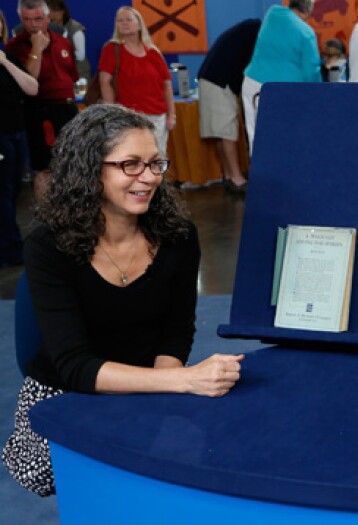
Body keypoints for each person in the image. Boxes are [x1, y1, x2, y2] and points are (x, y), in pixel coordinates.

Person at [1, 104, 245, 497]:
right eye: (130, 165)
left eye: (154, 164)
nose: (147, 178)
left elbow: (176, 332)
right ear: (89, 169)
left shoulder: (178, 236)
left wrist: (162, 394)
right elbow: (74, 367)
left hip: (150, 378)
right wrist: (181, 381)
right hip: (67, 392)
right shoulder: (48, 246)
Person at [5, 0, 78, 201]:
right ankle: (47, 220)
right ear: (21, 19)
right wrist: (36, 49)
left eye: (38, 19)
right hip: (40, 110)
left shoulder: (64, 43)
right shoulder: (15, 46)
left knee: (74, 162)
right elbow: (29, 82)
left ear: (48, 17)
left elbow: (71, 76)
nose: (33, 24)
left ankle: (74, 212)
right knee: (46, 167)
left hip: (68, 108)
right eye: (27, 20)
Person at [242, 0, 321, 155]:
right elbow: (311, 71)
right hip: (282, 91)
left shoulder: (272, 13)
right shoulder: (306, 32)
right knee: (285, 139)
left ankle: (259, 175)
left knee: (255, 135)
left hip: (252, 82)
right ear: (308, 11)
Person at [98, 7, 174, 156]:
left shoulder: (153, 52)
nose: (124, 23)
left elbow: (166, 85)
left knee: (158, 156)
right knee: (133, 156)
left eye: (129, 20)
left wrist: (172, 114)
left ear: (139, 25)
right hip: (128, 117)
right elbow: (105, 81)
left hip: (157, 117)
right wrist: (112, 111)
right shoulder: (112, 49)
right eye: (120, 20)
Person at [196, 18, 260, 194]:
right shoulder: (255, 31)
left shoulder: (248, 27)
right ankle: (237, 179)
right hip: (220, 81)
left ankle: (228, 175)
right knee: (227, 132)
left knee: (220, 132)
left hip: (211, 78)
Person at [1, 10, 39, 267]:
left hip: (16, 132)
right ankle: (11, 250)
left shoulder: (8, 55)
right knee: (2, 192)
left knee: (12, 191)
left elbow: (31, 87)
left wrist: (4, 62)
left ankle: (9, 244)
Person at [46, 0, 88, 81]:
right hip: (57, 75)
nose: (52, 14)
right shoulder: (48, 29)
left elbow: (80, 55)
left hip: (79, 74)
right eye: (49, 11)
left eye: (55, 10)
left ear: (63, 11)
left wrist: (60, 54)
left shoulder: (75, 28)